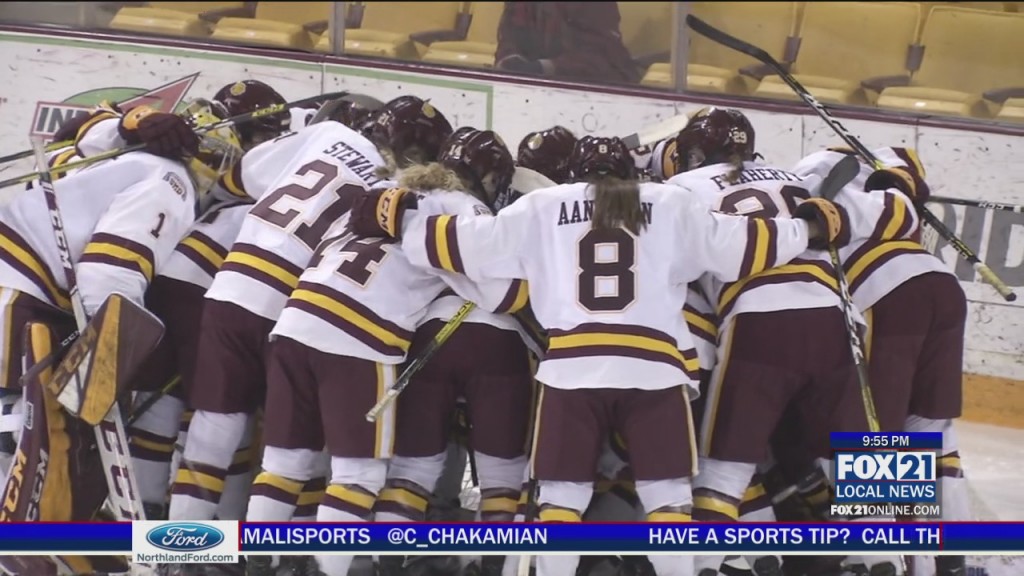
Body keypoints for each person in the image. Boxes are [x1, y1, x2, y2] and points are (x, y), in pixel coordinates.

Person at [347, 134, 849, 576]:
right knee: (885, 435)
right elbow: (760, 239)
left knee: (697, 472)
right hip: (842, 317)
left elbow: (464, 243)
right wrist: (809, 229)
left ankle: (738, 557)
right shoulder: (736, 188)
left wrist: (405, 220)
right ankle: (891, 551)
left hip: (632, 355)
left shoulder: (556, 204)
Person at [167, 94, 453, 525]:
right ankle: (286, 555)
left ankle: (179, 545)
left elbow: (238, 179)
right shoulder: (397, 190)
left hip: (232, 286)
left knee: (215, 421)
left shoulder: (326, 133)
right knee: (300, 446)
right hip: (297, 307)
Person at [255, 127, 526, 576]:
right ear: (490, 178)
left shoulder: (384, 187)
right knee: (357, 476)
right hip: (358, 337)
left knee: (283, 464)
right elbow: (503, 293)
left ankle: (257, 565)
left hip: (294, 320)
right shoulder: (465, 210)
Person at [664, 107, 921, 576]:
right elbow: (897, 216)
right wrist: (899, 188)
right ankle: (893, 559)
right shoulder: (796, 179)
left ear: (693, 154)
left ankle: (708, 562)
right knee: (864, 463)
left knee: (724, 465)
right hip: (837, 319)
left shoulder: (680, 190)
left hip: (758, 321)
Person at [0, 101, 239, 576]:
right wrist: (104, 363)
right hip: (19, 291)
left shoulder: (112, 156)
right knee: (25, 431)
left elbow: (77, 135)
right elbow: (109, 276)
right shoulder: (170, 184)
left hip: (16, 278)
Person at [792, 147, 969, 576]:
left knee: (873, 441)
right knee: (931, 434)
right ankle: (956, 556)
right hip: (941, 284)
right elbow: (916, 194)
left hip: (882, 292)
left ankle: (883, 555)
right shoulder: (896, 159)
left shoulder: (811, 166)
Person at [373, 129, 537, 576]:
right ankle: (494, 566)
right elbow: (509, 294)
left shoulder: (405, 195)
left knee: (413, 467)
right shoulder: (478, 211)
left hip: (427, 338)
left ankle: (387, 564)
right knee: (502, 475)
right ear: (487, 173)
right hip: (497, 345)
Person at [495, 2, 640, 84]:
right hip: (531, 90)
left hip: (595, 91)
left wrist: (545, 67)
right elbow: (509, 37)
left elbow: (599, 56)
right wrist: (509, 58)